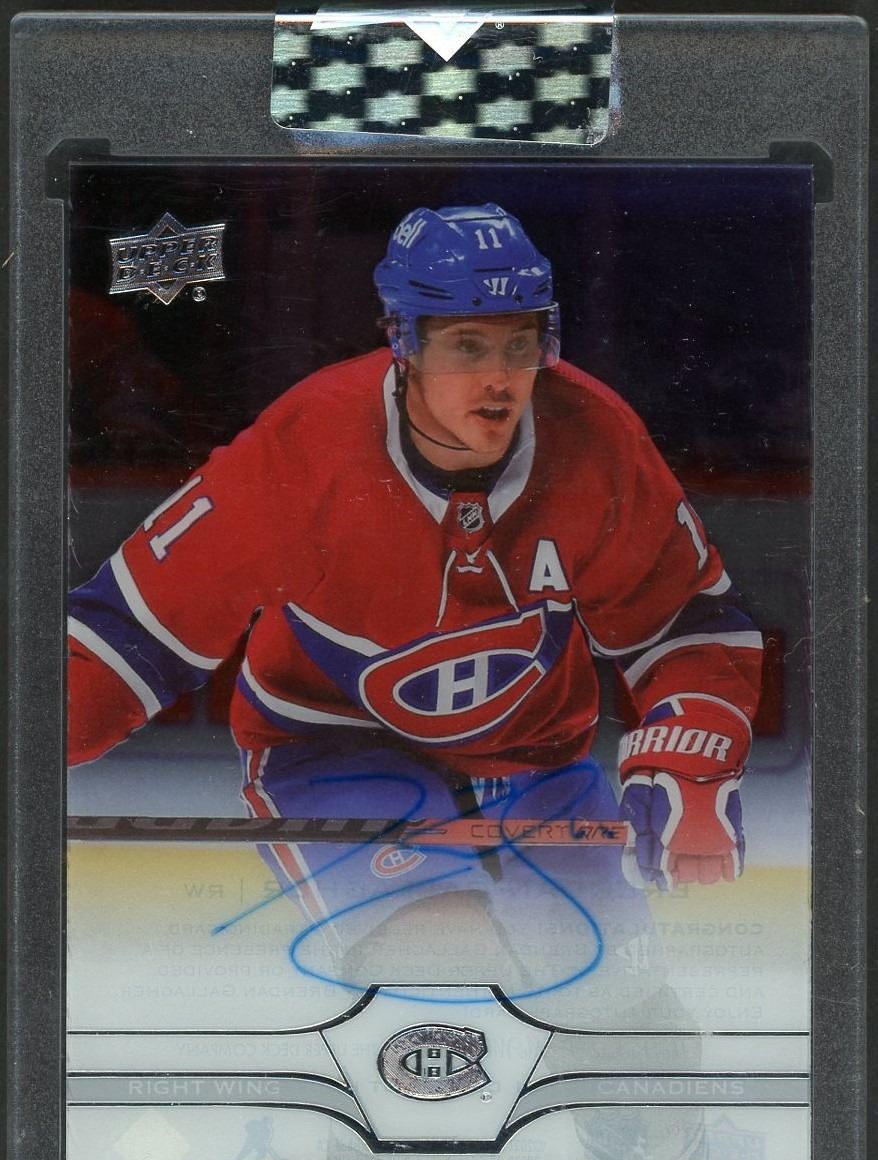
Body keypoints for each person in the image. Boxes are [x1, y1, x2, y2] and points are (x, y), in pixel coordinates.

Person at [68, 201, 762, 1012]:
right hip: (331, 744)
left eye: (520, 343)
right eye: (467, 345)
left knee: (623, 1014)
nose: (500, 378)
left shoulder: (594, 435)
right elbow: (126, 634)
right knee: (442, 960)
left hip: (536, 754)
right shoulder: (308, 446)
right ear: (403, 340)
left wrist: (693, 738)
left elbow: (685, 622)